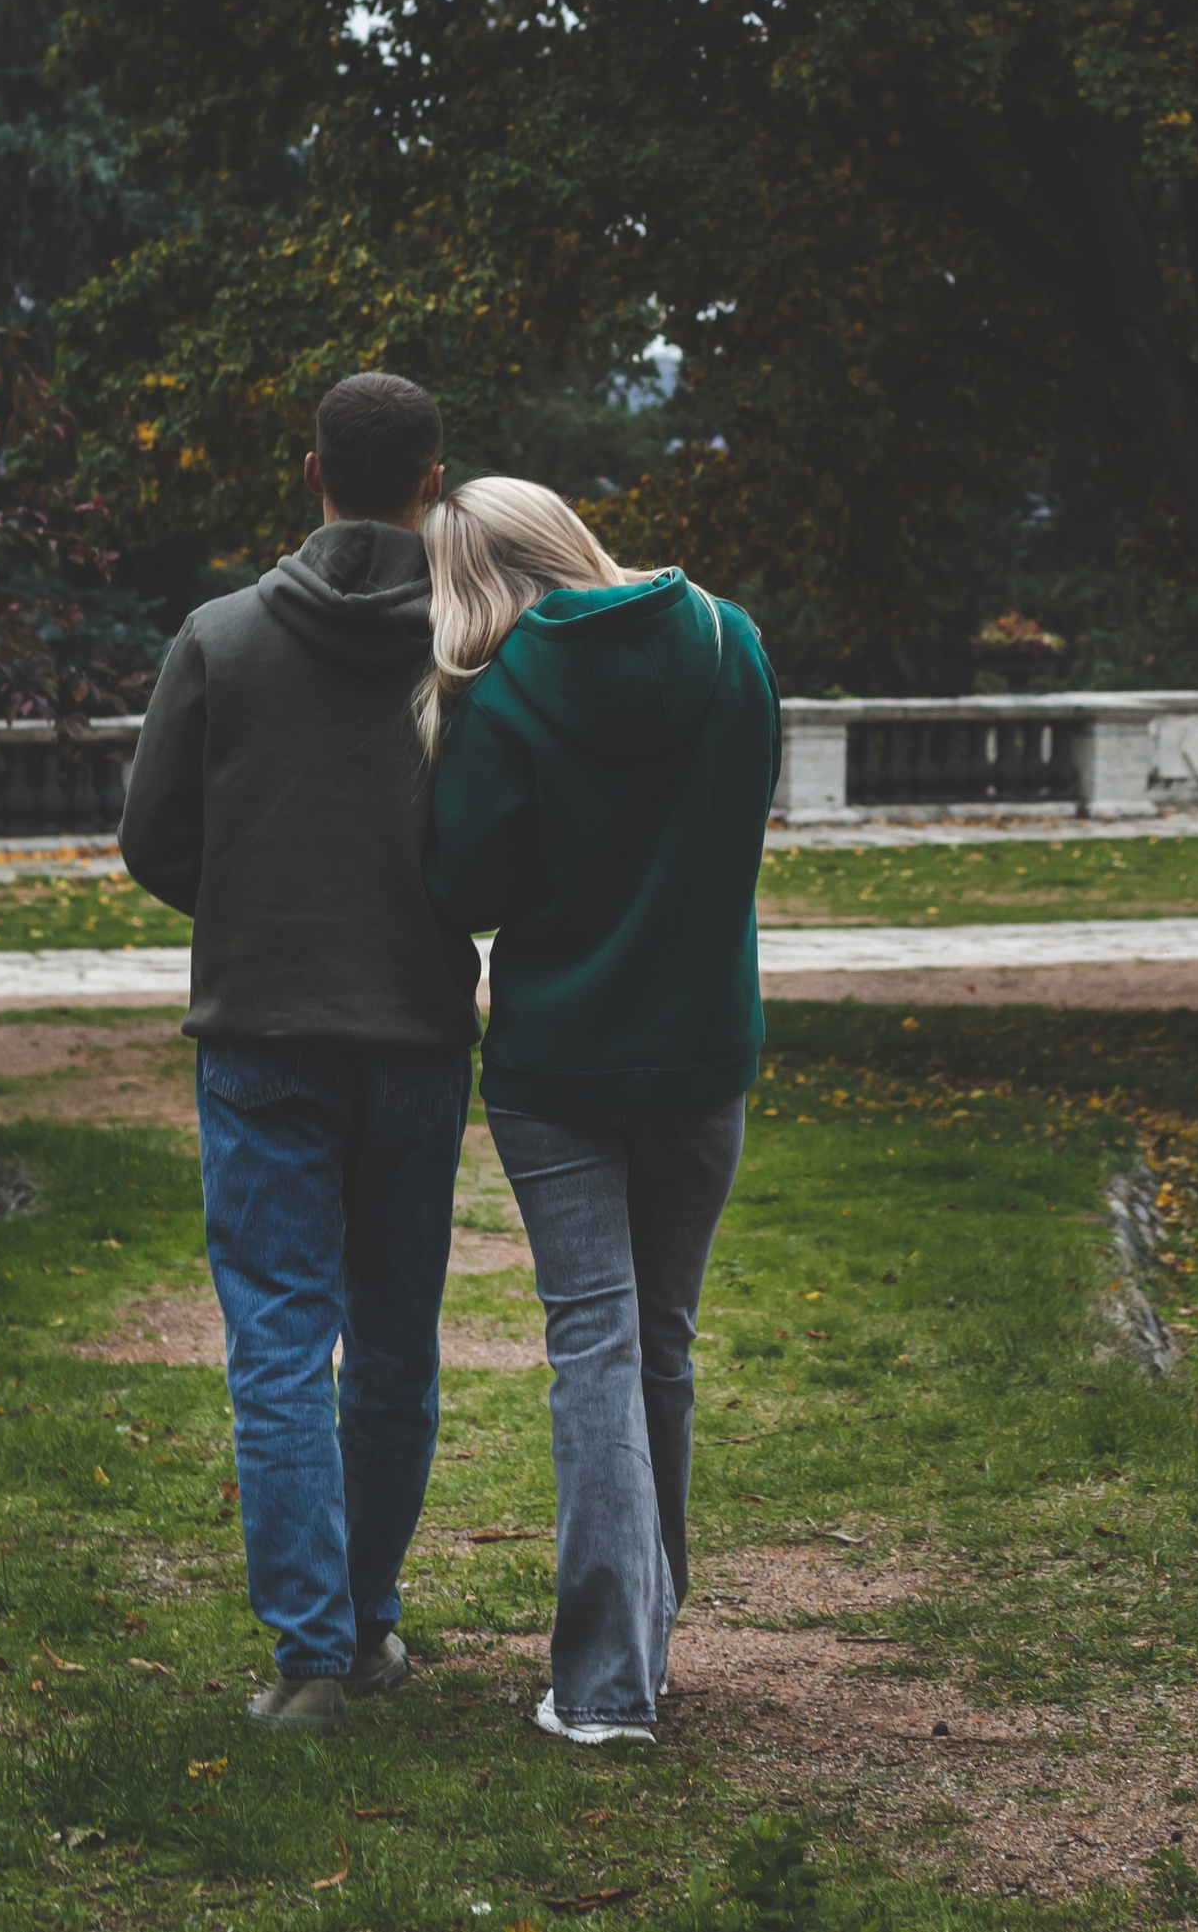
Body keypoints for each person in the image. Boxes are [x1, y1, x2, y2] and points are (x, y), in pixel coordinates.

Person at [119, 370, 477, 1736]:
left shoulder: (217, 638)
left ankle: (310, 1661)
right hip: (415, 1031)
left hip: (262, 1029)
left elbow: (155, 841)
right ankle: (370, 1621)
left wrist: (258, 904)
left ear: (311, 470)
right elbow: (496, 845)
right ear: (430, 481)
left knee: (278, 1342)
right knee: (393, 1343)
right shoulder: (469, 646)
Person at [419, 476, 778, 1745]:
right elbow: (737, 825)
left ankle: (605, 1684)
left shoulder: (501, 692)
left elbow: (461, 882)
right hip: (701, 1051)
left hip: (559, 1062)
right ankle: (644, 1647)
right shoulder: (735, 643)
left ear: (484, 580)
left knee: (597, 1349)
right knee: (661, 1347)